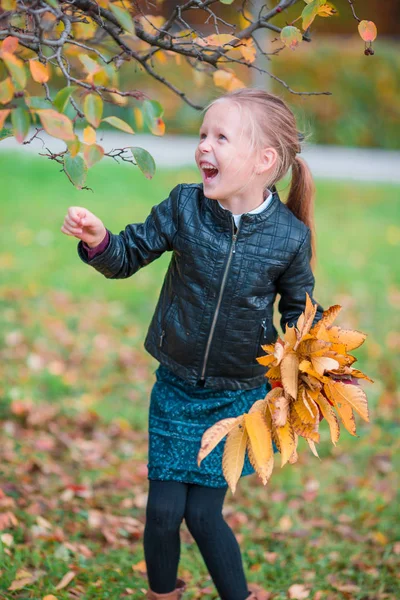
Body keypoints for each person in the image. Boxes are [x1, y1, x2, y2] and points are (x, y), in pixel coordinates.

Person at [61, 88, 325, 600]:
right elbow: (128, 254)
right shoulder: (185, 206)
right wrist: (98, 239)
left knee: (203, 516)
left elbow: (299, 314)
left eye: (220, 137)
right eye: (203, 134)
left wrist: (302, 378)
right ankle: (164, 594)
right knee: (162, 513)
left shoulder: (288, 238)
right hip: (177, 387)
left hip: (235, 398)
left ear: (264, 160)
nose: (204, 146)